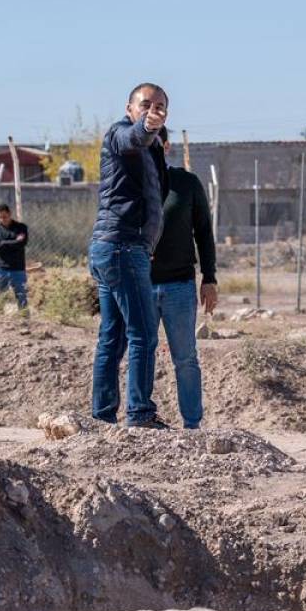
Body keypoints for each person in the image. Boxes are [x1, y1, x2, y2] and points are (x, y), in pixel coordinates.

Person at [89, 82, 168, 428]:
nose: (152, 109)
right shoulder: (120, 134)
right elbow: (131, 138)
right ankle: (139, 414)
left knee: (113, 336)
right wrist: (146, 128)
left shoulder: (152, 149)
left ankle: (102, 418)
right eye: (145, 104)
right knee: (143, 334)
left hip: (116, 248)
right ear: (129, 108)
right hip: (121, 248)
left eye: (160, 106)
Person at [151, 130, 218, 428]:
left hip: (179, 284)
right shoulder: (132, 183)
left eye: (155, 143)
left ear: (166, 146)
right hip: (141, 285)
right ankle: (140, 417)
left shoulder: (186, 183)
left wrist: (210, 277)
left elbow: (203, 231)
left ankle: (192, 425)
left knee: (185, 358)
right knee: (140, 354)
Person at [0, 204, 29, 308]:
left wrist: (3, 243)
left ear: (10, 214)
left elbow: (22, 244)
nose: (3, 219)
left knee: (22, 297)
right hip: (1, 269)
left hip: (18, 268)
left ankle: (24, 318)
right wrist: (14, 241)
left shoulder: (21, 228)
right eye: (0, 217)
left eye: (5, 216)